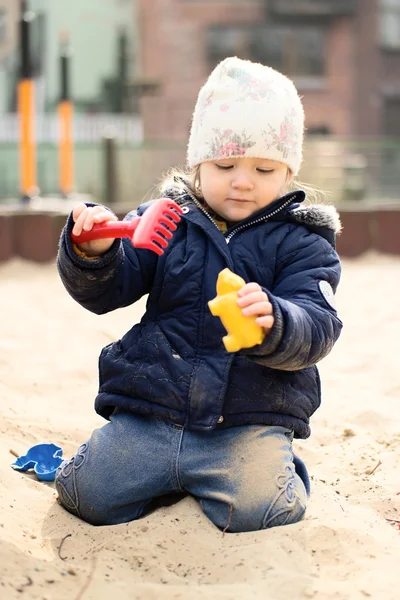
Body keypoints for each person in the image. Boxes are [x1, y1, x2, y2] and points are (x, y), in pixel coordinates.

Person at [55, 57, 343, 532]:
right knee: (85, 495)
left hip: (246, 422)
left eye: (265, 168)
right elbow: (108, 291)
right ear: (198, 163)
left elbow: (319, 324)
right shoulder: (166, 220)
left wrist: (277, 321)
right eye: (225, 164)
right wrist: (94, 252)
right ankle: (164, 473)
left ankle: (273, 463)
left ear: (288, 174)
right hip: (153, 411)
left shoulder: (303, 243)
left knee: (263, 510)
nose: (243, 180)